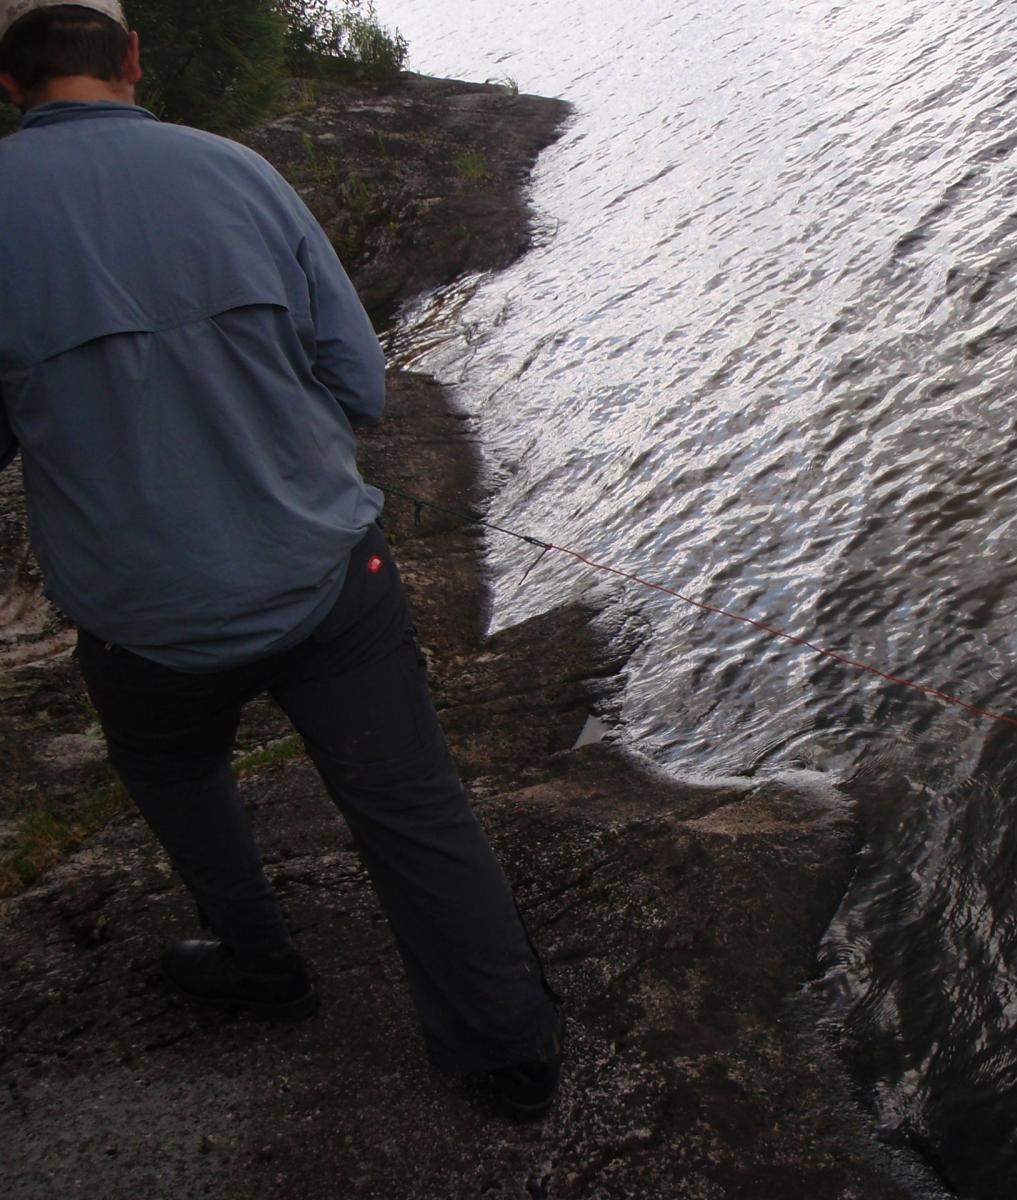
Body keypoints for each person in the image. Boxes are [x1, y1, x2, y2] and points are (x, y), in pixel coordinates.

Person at [0, 1, 561, 1120]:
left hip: (143, 621)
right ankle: (509, 1055)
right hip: (324, 581)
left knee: (177, 775)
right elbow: (358, 382)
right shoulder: (238, 173)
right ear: (132, 57)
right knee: (411, 803)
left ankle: (259, 962)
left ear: (8, 84)